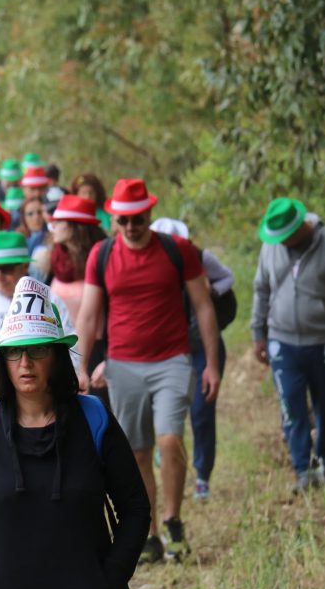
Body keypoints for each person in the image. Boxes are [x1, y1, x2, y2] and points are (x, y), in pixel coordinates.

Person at [0, 276, 150, 589]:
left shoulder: (94, 419)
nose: (25, 363)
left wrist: (110, 580)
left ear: (58, 355)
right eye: (14, 351)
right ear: (1, 359)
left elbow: (135, 508)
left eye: (37, 349)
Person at [75, 178, 221, 564]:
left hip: (172, 360)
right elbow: (89, 315)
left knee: (170, 439)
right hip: (124, 366)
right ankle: (150, 533)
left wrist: (212, 364)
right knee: (137, 453)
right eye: (122, 220)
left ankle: (173, 519)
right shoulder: (101, 255)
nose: (129, 227)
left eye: (136, 219)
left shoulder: (178, 250)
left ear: (149, 215)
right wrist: (81, 366)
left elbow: (204, 306)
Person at [251, 197, 325, 491]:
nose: (281, 242)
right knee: (291, 404)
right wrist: (258, 333)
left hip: (324, 341)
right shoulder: (271, 247)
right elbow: (261, 289)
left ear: (300, 227)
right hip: (282, 341)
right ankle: (302, 468)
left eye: (285, 237)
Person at [151, 217, 235, 500]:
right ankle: (167, 450)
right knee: (166, 408)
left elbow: (228, 278)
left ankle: (202, 475)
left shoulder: (199, 257)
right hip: (168, 349)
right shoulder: (148, 264)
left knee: (201, 412)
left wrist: (210, 290)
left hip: (200, 345)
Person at [0, 231, 80, 411]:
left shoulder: (50, 300)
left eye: (6, 269)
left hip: (44, 407)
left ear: (25, 265)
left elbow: (70, 353)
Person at [43, 195, 107, 321]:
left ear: (76, 226)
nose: (53, 225)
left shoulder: (100, 260)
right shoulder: (54, 259)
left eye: (59, 221)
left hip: (92, 338)